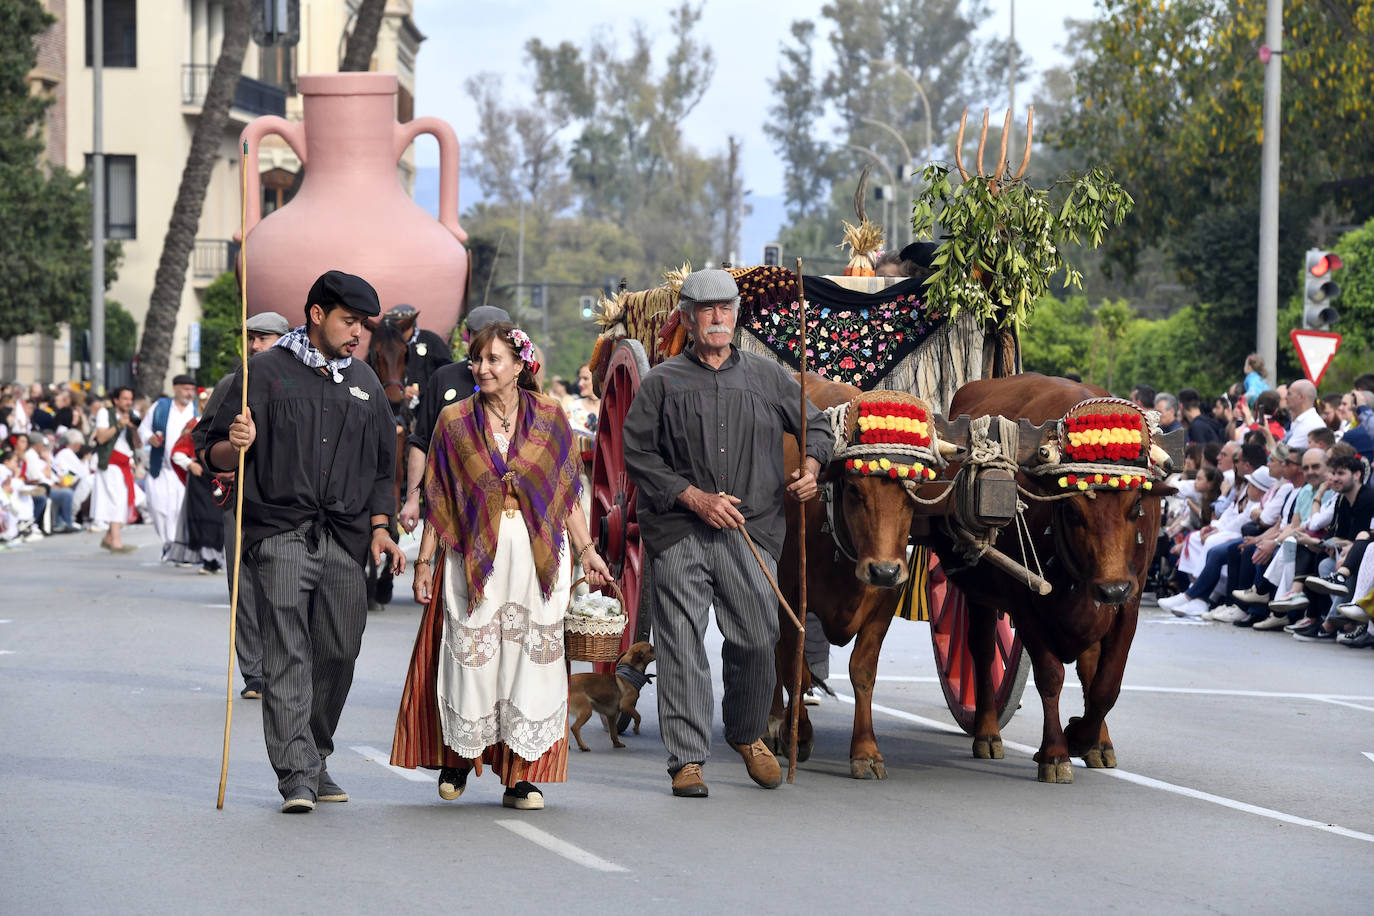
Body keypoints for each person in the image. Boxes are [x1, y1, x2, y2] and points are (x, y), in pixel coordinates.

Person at [622, 268, 833, 799]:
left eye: (726, 308)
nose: (717, 318)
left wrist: (810, 467)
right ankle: (687, 760)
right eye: (706, 310)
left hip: (751, 530)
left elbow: (820, 428)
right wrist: (692, 496)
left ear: (736, 317)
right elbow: (638, 454)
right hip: (679, 532)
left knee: (758, 636)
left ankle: (746, 735)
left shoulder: (767, 379)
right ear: (688, 320)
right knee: (681, 644)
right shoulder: (662, 382)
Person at [204, 270, 405, 814]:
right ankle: (295, 773)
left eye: (362, 324)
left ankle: (315, 753)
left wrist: (382, 528)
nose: (357, 332)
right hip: (278, 532)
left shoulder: (364, 381)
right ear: (317, 314)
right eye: (348, 320)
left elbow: (384, 467)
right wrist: (235, 443)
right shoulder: (262, 374)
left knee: (340, 647)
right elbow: (213, 452)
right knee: (288, 650)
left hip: (346, 537)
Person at [393, 321, 611, 810]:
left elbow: (566, 496)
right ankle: (457, 759)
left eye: (494, 359)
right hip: (473, 559)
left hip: (537, 562)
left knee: (527, 667)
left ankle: (520, 776)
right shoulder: (453, 421)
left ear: (519, 366)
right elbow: (440, 498)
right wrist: (424, 562)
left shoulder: (552, 418)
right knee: (470, 660)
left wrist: (588, 550)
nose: (483, 368)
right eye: (478, 359)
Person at [195, 310, 289, 700]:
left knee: (284, 590)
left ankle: (286, 666)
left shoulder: (294, 383)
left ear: (282, 340)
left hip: (285, 504)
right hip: (239, 502)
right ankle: (254, 672)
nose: (254, 346)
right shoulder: (231, 384)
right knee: (243, 587)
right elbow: (204, 439)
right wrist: (224, 459)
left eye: (263, 338)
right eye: (250, 338)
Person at [397, 306, 511, 534]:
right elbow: (421, 441)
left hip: (506, 505)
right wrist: (412, 500)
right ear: (468, 339)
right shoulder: (444, 377)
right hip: (449, 503)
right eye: (479, 340)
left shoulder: (516, 382)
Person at [138, 374, 199, 564]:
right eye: (185, 389)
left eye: (191, 390)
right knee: (157, 508)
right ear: (175, 388)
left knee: (180, 511)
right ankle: (168, 543)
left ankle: (177, 548)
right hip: (161, 468)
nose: (189, 393)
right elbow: (143, 429)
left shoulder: (196, 410)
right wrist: (150, 438)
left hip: (185, 469)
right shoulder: (161, 407)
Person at [91, 387, 141, 552]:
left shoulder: (132, 415)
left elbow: (138, 444)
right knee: (116, 501)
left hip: (125, 463)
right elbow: (101, 437)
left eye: (130, 399)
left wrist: (133, 428)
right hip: (110, 462)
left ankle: (109, 537)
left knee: (123, 500)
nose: (128, 402)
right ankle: (116, 541)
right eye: (125, 399)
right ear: (116, 400)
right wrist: (119, 425)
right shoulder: (105, 413)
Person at [383, 303, 453, 413]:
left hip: (429, 407)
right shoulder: (388, 347)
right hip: (398, 410)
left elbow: (447, 372)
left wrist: (425, 390)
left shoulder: (431, 340)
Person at [1284, 379, 1324, 450]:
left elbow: (1283, 455)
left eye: (1289, 394)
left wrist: (1267, 435)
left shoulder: (1310, 424)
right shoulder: (1303, 421)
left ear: (1301, 397)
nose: (1285, 397)